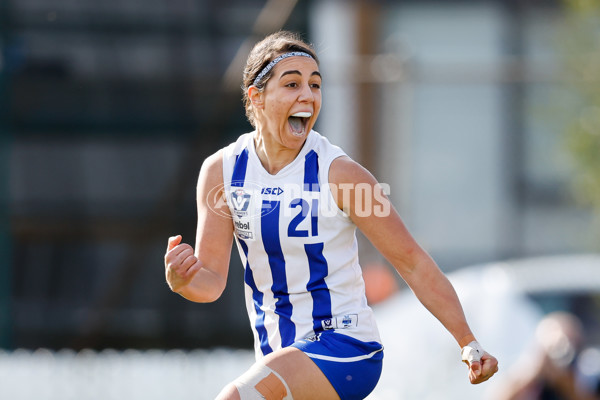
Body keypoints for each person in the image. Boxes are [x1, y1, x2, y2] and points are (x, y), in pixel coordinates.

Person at [164, 31, 498, 400]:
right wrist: (182, 280)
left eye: (315, 84)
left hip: (347, 348)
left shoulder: (340, 174)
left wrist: (467, 341)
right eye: (292, 84)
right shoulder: (221, 172)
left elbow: (413, 262)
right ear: (256, 97)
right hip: (277, 355)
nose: (307, 95)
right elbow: (209, 283)